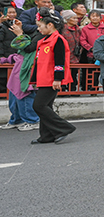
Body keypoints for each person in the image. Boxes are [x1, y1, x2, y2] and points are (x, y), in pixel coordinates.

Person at [29, 9, 76, 144]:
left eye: (40, 26)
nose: (38, 29)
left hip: (52, 79)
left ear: (50, 25)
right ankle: (47, 136)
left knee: (39, 106)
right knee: (45, 107)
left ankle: (64, 128)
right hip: (44, 78)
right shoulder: (44, 41)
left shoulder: (58, 40)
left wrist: (58, 78)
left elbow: (60, 61)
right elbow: (39, 62)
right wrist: (34, 80)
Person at [1, 17, 40, 132]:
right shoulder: (35, 33)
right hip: (18, 71)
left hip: (27, 72)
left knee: (26, 98)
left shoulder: (42, 37)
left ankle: (32, 120)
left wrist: (20, 34)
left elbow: (27, 47)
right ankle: (16, 119)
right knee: (14, 98)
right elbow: (18, 52)